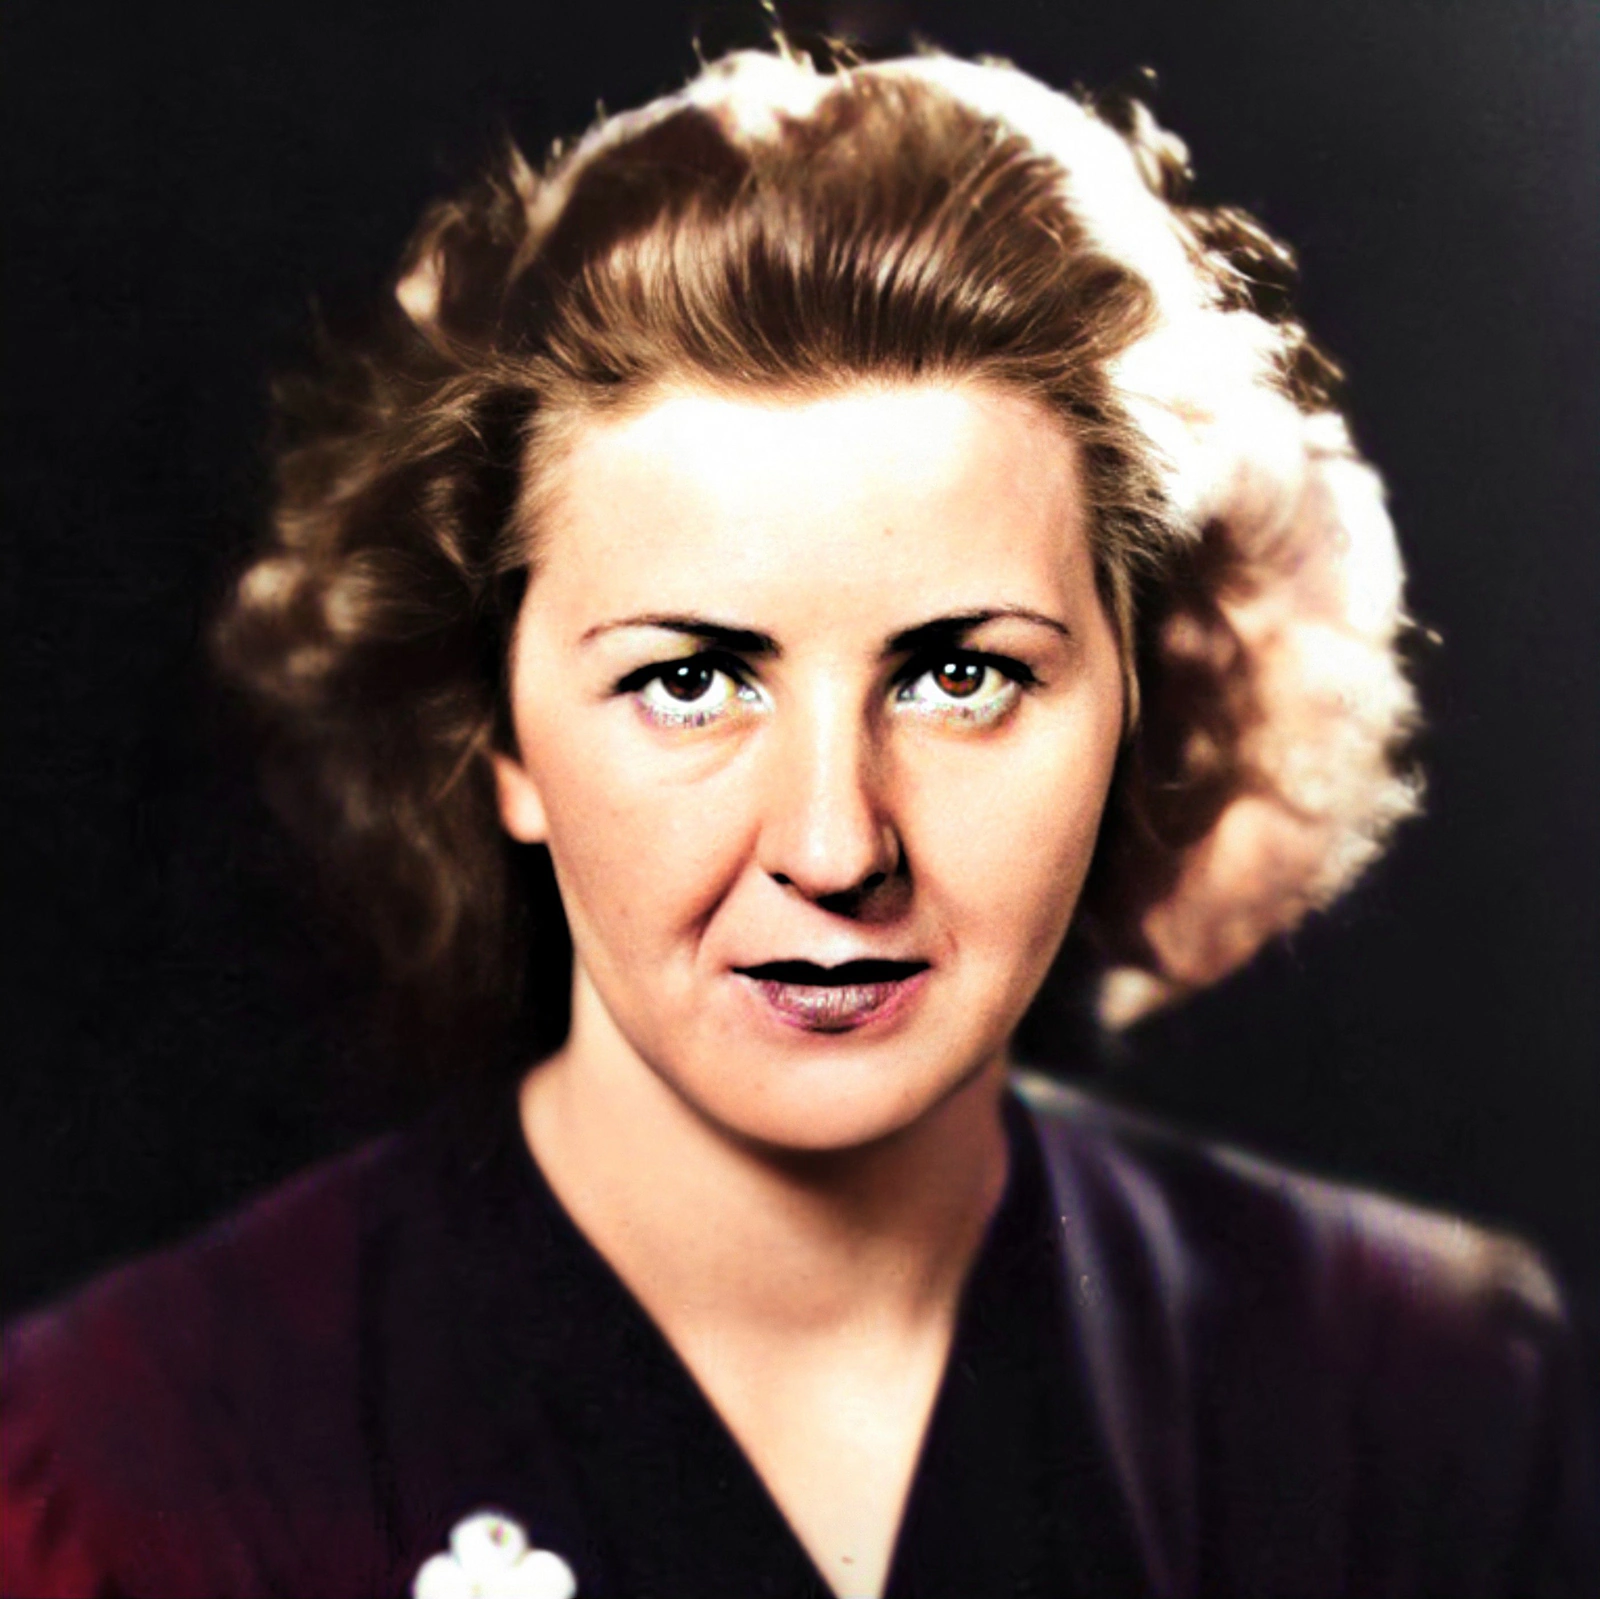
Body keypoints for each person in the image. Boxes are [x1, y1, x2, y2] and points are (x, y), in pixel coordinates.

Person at [2, 42, 1594, 1599]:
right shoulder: (127, 1470)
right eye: (691, 681)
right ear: (499, 735)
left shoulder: (1427, 1400)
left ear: (1141, 704)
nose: (835, 848)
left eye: (962, 674)